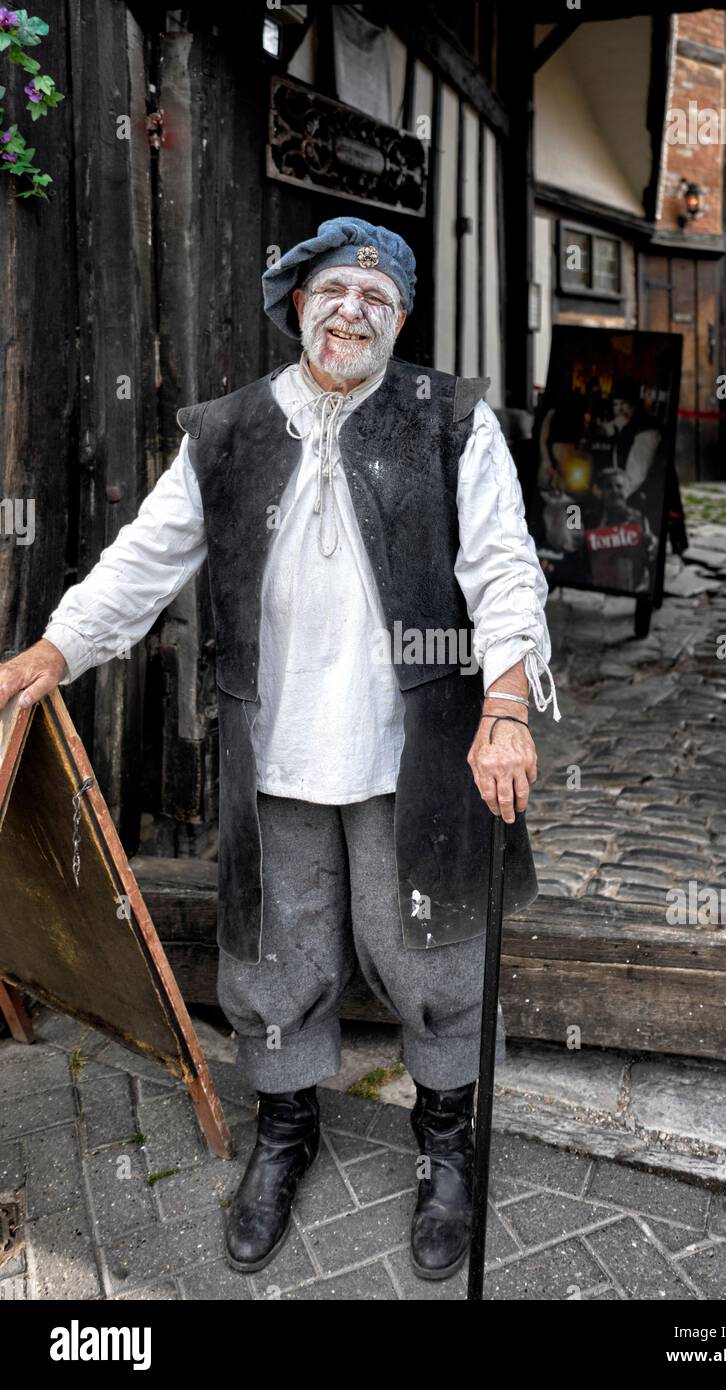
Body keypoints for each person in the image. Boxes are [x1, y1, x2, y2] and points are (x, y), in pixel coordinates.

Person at [0, 216, 560, 1282]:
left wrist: (504, 707)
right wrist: (56, 648)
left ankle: (446, 1145)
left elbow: (501, 564)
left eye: (376, 299)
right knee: (275, 955)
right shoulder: (226, 430)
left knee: (431, 959)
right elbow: (148, 554)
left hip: (417, 746)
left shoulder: (452, 419)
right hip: (277, 748)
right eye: (333, 291)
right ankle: (286, 1132)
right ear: (297, 302)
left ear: (398, 320)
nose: (351, 311)